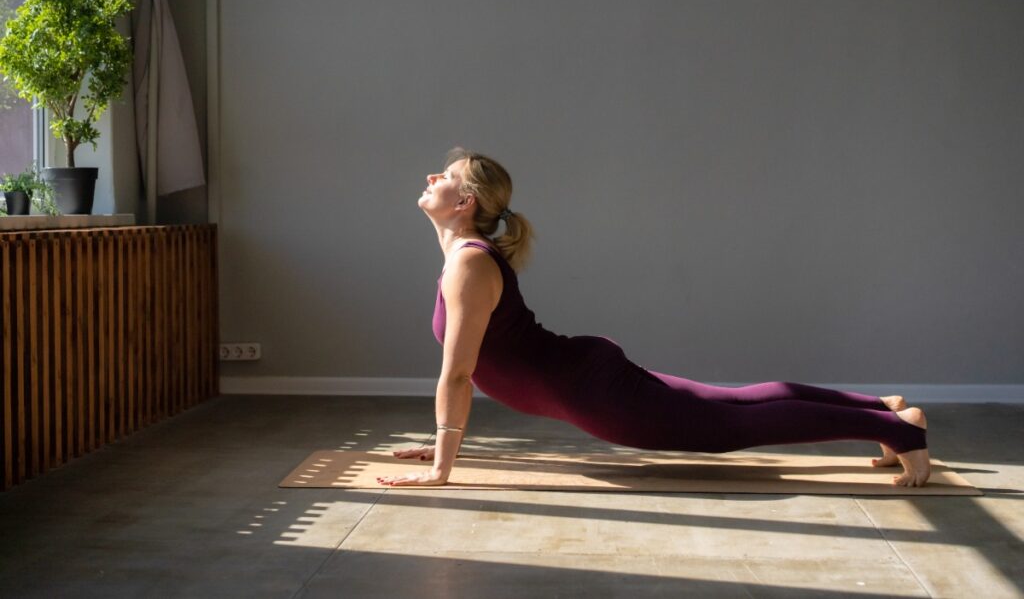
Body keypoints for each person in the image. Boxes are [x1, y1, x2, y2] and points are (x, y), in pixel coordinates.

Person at [377, 148, 931, 488]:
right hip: (585, 376)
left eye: (445, 174)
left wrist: (442, 464)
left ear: (465, 201)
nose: (432, 176)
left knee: (733, 423)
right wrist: (443, 440)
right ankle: (884, 411)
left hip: (594, 393)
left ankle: (890, 430)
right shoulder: (465, 261)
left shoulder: (467, 267)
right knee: (732, 403)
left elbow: (457, 373)